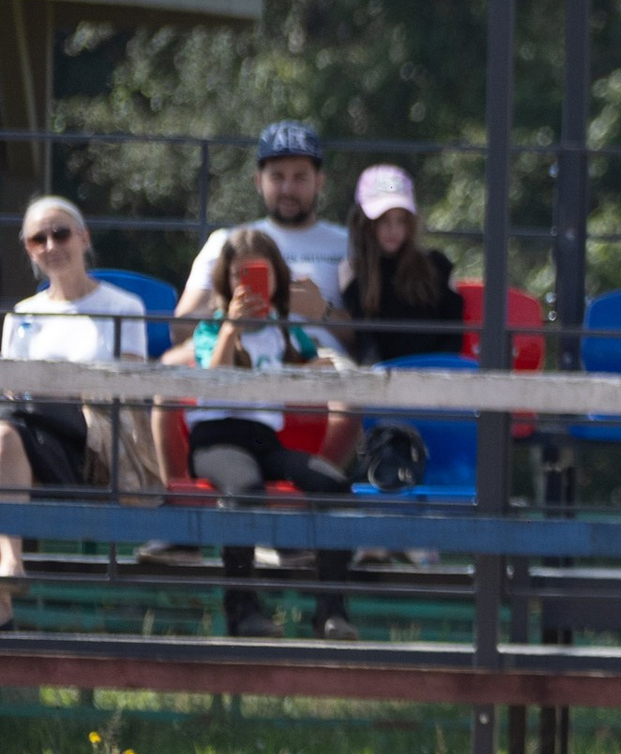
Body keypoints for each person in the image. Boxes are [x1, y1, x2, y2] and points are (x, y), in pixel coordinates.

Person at [159, 225, 360, 638]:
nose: (247, 284)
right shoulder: (212, 329)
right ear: (225, 281)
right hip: (215, 439)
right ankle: (242, 609)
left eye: (258, 275)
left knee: (334, 486)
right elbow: (213, 378)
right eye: (238, 275)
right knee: (244, 488)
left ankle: (332, 611)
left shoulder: (284, 328)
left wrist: (312, 367)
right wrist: (231, 327)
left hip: (264, 440)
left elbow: (317, 363)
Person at [0, 194, 157, 617]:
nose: (51, 245)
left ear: (84, 237)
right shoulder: (21, 315)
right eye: (38, 239)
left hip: (91, 446)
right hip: (28, 444)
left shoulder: (123, 308)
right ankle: (7, 572)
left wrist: (59, 392)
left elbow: (130, 392)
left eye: (60, 233)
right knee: (3, 433)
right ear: (28, 249)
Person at [174, 122, 350, 332]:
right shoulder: (226, 241)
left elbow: (374, 342)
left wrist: (323, 312)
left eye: (300, 177)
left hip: (330, 362)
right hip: (246, 362)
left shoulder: (349, 243)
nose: (288, 189)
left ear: (319, 182)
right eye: (277, 176)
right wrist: (233, 310)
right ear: (258, 181)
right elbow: (180, 328)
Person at [341, 162, 464, 363]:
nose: (394, 229)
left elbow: (453, 333)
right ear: (363, 221)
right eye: (383, 220)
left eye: (402, 219)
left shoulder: (438, 265)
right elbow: (365, 341)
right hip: (382, 380)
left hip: (439, 374)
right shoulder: (352, 270)